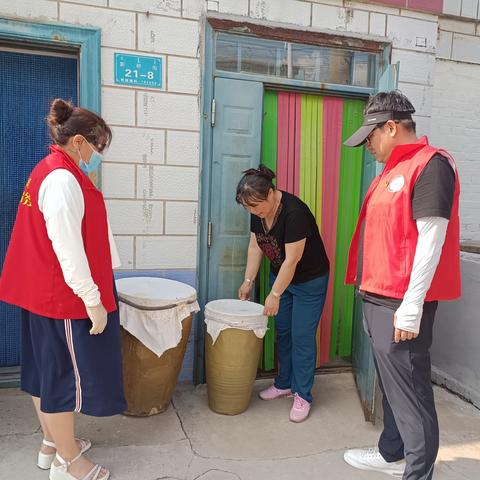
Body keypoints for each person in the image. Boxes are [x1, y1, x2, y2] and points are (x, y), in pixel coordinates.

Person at [0, 98, 127, 480]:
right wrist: (93, 300)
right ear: (78, 143)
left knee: (44, 373)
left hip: (40, 291)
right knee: (60, 380)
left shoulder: (50, 170)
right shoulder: (62, 179)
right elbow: (68, 247)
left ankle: (51, 445)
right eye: (98, 147)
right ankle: (70, 465)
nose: (99, 156)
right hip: (62, 298)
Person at [342, 91, 460, 480]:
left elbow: (431, 239)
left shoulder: (430, 165)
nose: (368, 146)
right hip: (376, 297)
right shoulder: (393, 170)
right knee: (392, 387)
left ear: (391, 127)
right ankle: (392, 452)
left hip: (400, 304)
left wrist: (411, 306)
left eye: (371, 137)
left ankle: (418, 471)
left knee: (411, 393)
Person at [236, 165, 330, 423]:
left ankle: (303, 394)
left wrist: (274, 294)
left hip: (309, 280)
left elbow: (293, 260)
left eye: (256, 206)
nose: (253, 212)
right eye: (248, 208)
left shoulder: (294, 212)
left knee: (302, 335)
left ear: (271, 194)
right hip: (282, 279)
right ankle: (284, 383)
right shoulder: (257, 208)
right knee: (284, 331)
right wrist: (248, 281)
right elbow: (256, 245)